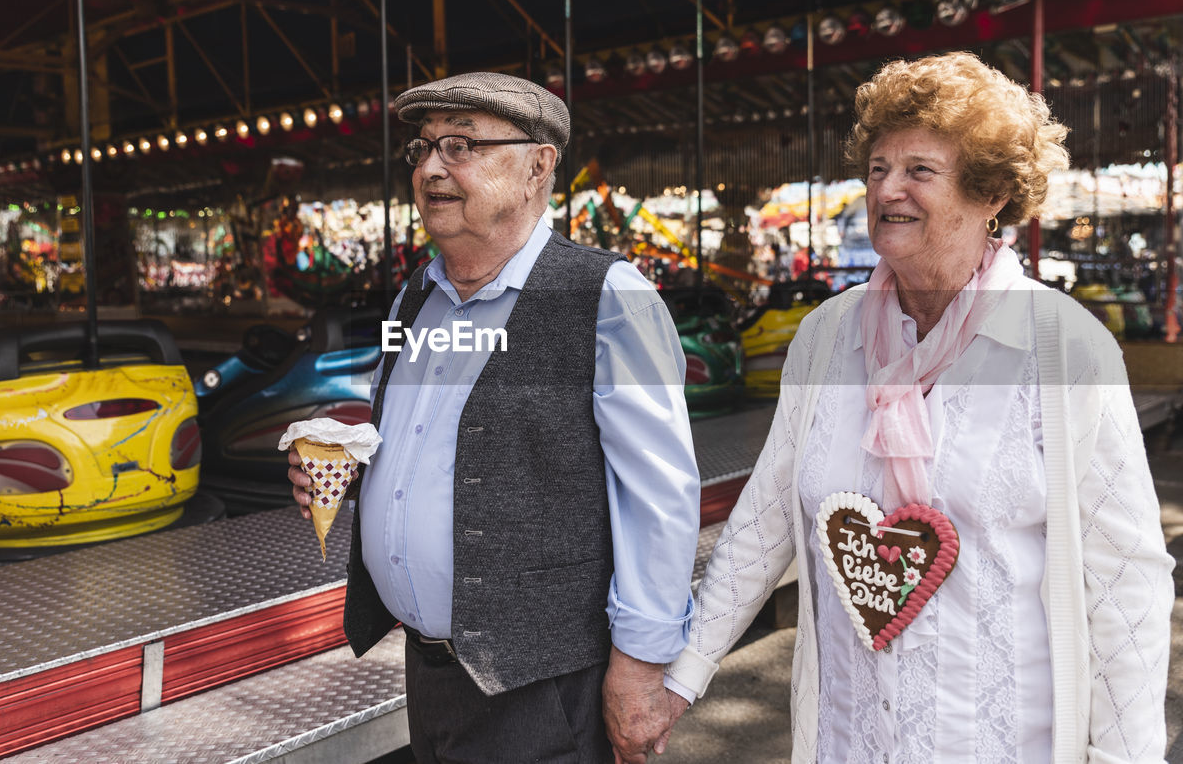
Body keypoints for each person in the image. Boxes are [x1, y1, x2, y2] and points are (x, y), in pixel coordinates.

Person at [660, 52, 1175, 762]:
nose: (886, 189)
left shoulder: (1064, 348)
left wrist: (1126, 758)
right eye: (876, 169)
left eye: (918, 172)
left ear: (990, 192)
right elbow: (765, 517)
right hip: (851, 740)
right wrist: (679, 679)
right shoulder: (825, 338)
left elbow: (1126, 585)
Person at [287, 72, 700, 763]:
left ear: (539, 165)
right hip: (431, 675)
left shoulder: (607, 298)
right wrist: (351, 469)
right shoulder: (415, 298)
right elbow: (432, 444)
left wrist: (641, 668)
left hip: (542, 689)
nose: (430, 168)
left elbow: (659, 501)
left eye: (462, 145)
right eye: (422, 148)